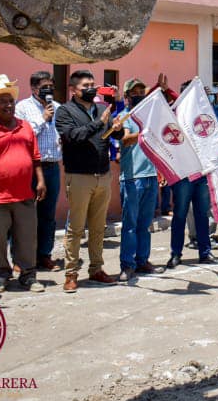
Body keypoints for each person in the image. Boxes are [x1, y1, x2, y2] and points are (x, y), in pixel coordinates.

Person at [0, 75, 46, 294]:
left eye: (10, 100)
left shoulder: (25, 127)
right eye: (2, 101)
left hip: (24, 195)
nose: (8, 104)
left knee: (28, 238)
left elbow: (35, 157)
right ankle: (1, 274)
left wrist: (40, 181)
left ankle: (28, 275)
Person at [55, 69, 123, 292]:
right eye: (86, 86)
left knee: (98, 228)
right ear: (74, 90)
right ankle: (71, 273)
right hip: (79, 176)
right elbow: (73, 137)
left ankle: (96, 268)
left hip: (103, 175)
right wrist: (97, 123)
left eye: (93, 84)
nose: (91, 89)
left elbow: (114, 135)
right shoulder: (65, 111)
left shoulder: (103, 109)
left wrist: (118, 129)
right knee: (76, 229)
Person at [14, 70, 63, 272]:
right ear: (34, 88)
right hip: (31, 168)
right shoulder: (22, 108)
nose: (49, 90)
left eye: (51, 86)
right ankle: (21, 258)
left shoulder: (58, 108)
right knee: (25, 215)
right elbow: (22, 137)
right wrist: (43, 119)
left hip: (52, 167)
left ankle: (44, 255)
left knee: (48, 215)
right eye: (44, 87)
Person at [117, 78, 165, 281]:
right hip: (132, 177)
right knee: (130, 224)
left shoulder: (149, 117)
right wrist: (144, 133)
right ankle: (127, 264)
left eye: (140, 91)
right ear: (127, 96)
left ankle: (142, 260)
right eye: (134, 92)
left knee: (145, 224)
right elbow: (125, 139)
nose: (138, 95)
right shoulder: (123, 117)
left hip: (150, 176)